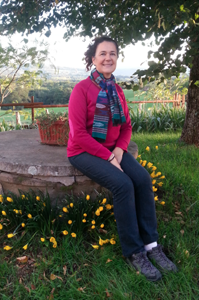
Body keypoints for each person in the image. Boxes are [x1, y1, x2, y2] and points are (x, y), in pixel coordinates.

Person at [67, 36, 177, 282]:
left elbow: (127, 126)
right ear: (93, 59)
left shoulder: (117, 91)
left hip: (112, 150)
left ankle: (151, 244)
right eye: (103, 53)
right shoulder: (81, 90)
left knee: (142, 178)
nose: (108, 58)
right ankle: (134, 252)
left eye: (113, 54)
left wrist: (118, 150)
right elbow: (78, 134)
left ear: (117, 58)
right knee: (123, 184)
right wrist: (107, 156)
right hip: (83, 151)